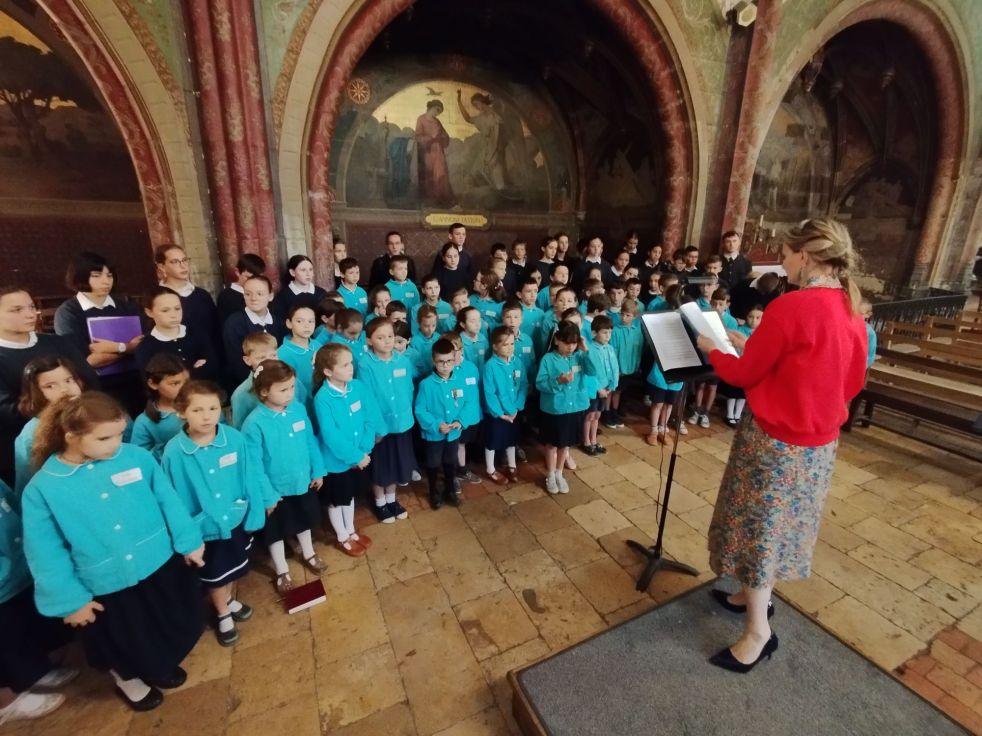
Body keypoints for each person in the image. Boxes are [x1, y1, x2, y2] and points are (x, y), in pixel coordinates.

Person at [697, 218, 867, 673]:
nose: (784, 260)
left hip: (776, 444)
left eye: (788, 253)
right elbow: (845, 378)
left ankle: (758, 633)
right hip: (817, 446)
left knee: (759, 533)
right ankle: (748, 595)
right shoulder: (850, 306)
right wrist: (748, 344)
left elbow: (742, 375)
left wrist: (712, 349)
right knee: (778, 528)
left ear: (806, 256)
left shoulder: (792, 307)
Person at [21, 393, 204, 711]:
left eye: (119, 434)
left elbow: (167, 500)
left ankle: (159, 664)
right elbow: (45, 553)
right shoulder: (43, 488)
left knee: (166, 623)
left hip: (158, 564)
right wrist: (70, 601)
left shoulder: (136, 457)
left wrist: (189, 541)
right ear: (71, 436)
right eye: (105, 437)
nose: (116, 444)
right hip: (107, 584)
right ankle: (129, 681)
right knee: (123, 641)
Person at [162, 381, 265, 646]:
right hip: (203, 528)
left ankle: (228, 600)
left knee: (231, 569)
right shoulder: (174, 451)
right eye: (197, 410)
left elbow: (249, 476)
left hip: (234, 519)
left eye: (212, 408)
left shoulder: (234, 439)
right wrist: (185, 538)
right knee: (216, 574)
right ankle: (222, 613)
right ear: (181, 412)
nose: (207, 416)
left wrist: (254, 512)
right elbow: (171, 498)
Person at [241, 361, 326, 594]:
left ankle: (308, 552)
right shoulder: (254, 424)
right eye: (283, 389)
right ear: (263, 391)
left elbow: (310, 441)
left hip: (302, 482)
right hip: (275, 491)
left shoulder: (298, 409)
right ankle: (281, 569)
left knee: (304, 520)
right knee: (275, 532)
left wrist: (317, 469)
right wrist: (268, 496)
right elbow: (254, 465)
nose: (290, 394)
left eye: (291, 388)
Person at [0, 288, 98, 486]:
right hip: (29, 444)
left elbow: (89, 382)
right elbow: (6, 410)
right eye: (17, 310)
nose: (29, 314)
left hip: (80, 432)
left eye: (31, 307)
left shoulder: (58, 343)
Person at [0, 476, 77, 726]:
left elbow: (13, 504)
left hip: (16, 572)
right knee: (5, 642)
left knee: (23, 629)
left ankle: (33, 674)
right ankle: (6, 701)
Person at [53, 252, 144, 415]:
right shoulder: (69, 313)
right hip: (98, 388)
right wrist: (129, 348)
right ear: (79, 277)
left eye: (109, 275)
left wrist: (117, 347)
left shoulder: (126, 307)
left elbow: (142, 347)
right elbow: (87, 361)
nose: (106, 281)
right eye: (97, 275)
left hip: (135, 382)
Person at [313, 344, 376, 554]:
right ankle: (341, 535)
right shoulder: (323, 398)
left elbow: (368, 418)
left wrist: (365, 448)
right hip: (336, 462)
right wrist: (356, 455)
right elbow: (331, 436)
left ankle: (350, 530)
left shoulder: (357, 387)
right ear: (328, 371)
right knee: (336, 501)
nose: (351, 368)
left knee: (349, 497)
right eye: (345, 365)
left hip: (358, 456)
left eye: (351, 363)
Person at [356, 319, 417, 524]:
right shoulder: (365, 364)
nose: (387, 341)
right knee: (380, 467)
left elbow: (408, 389)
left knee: (397, 465)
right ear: (369, 341)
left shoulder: (403, 361)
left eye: (390, 336)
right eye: (380, 337)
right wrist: (377, 428)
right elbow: (367, 398)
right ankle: (380, 502)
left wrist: (406, 413)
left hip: (401, 424)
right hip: (380, 428)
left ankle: (392, 499)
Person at [13, 356, 88, 497]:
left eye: (69, 380)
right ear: (36, 392)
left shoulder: (99, 412)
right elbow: (27, 484)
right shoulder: (31, 433)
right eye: (50, 386)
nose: (65, 389)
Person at [536, 321, 594, 494]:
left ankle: (560, 473)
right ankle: (551, 474)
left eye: (574, 343)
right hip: (554, 409)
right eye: (567, 343)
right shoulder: (548, 359)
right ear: (557, 340)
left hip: (574, 407)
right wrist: (558, 381)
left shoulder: (579, 356)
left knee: (566, 444)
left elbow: (593, 370)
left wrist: (586, 349)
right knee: (552, 444)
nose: (571, 347)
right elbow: (540, 383)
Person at [414, 339, 465, 510]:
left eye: (449, 361)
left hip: (454, 433)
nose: (445, 365)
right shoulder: (426, 385)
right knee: (434, 463)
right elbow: (420, 410)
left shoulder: (460, 380)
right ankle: (433, 491)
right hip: (434, 434)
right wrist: (436, 424)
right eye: (441, 362)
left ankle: (450, 489)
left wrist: (461, 421)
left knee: (451, 461)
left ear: (454, 359)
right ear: (433, 361)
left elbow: (468, 403)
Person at [136, 287, 218, 381]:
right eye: (165, 310)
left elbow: (213, 367)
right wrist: (191, 373)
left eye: (177, 308)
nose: (174, 315)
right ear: (149, 312)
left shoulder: (197, 333)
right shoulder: (146, 347)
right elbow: (155, 381)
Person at [221, 275, 286, 390]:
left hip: (278, 383)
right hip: (249, 386)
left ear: (270, 296)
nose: (253, 298)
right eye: (248, 294)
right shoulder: (234, 323)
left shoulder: (279, 322)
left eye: (259, 294)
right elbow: (236, 362)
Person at [482, 326, 527, 485]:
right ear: (495, 346)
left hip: (513, 411)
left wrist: (516, 408)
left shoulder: (518, 362)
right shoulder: (490, 366)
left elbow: (523, 385)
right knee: (493, 441)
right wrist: (500, 413)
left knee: (511, 439)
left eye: (512, 344)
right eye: (505, 344)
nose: (510, 348)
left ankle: (512, 465)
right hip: (497, 413)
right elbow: (489, 392)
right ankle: (490, 469)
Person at [153, 244, 219, 343]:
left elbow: (215, 330)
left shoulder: (202, 295)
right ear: (161, 267)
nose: (183, 266)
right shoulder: (156, 298)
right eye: (175, 262)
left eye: (184, 260)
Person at [131, 353, 190, 460]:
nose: (183, 388)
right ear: (153, 384)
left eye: (186, 382)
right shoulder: (144, 421)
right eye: (174, 383)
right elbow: (139, 458)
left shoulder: (201, 406)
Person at [442, 332, 482, 486]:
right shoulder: (446, 373)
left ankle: (462, 469)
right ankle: (451, 475)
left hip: (469, 417)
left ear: (462, 349)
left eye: (455, 351)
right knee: (451, 447)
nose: (453, 356)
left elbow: (475, 393)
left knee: (462, 444)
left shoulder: (471, 367)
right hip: (452, 420)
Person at [720, 305, 763, 427]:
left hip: (751, 368)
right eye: (750, 317)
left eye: (758, 317)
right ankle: (729, 414)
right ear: (746, 317)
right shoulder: (739, 331)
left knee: (743, 394)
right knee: (733, 391)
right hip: (738, 365)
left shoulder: (763, 333)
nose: (753, 320)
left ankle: (737, 415)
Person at [229, 332, 280, 429]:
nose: (270, 362)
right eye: (262, 357)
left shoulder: (291, 381)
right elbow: (240, 428)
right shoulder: (241, 395)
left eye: (273, 355)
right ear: (247, 360)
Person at [584, 315, 618, 453]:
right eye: (604, 332)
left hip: (606, 389)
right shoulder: (590, 349)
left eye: (610, 332)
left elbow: (615, 367)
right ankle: (586, 441)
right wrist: (598, 389)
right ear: (594, 333)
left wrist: (612, 385)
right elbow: (589, 373)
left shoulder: (609, 348)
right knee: (590, 415)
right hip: (594, 390)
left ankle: (594, 440)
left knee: (597, 415)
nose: (608, 335)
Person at [609, 298, 642, 426]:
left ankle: (615, 412)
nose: (624, 317)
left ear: (634, 316)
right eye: (622, 314)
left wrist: (636, 365)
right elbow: (613, 352)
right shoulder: (615, 330)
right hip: (617, 369)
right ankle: (608, 413)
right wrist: (616, 369)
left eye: (628, 315)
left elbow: (638, 350)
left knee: (619, 392)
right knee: (611, 391)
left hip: (629, 369)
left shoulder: (637, 332)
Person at [415, 101, 455, 207]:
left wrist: (443, 137)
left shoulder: (437, 122)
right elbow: (418, 138)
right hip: (427, 152)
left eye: (439, 112)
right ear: (431, 107)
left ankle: (441, 198)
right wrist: (431, 137)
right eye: (437, 110)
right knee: (429, 175)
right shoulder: (421, 119)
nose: (437, 113)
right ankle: (430, 199)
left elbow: (445, 136)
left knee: (441, 173)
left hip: (438, 151)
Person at [277, 304, 319, 402]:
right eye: (299, 321)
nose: (307, 325)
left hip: (320, 401)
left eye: (311, 321)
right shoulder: (282, 354)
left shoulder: (317, 345)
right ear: (289, 323)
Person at [217, 253, 266, 326]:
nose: (254, 282)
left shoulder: (264, 293)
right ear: (237, 272)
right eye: (249, 277)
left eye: (258, 278)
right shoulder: (226, 297)